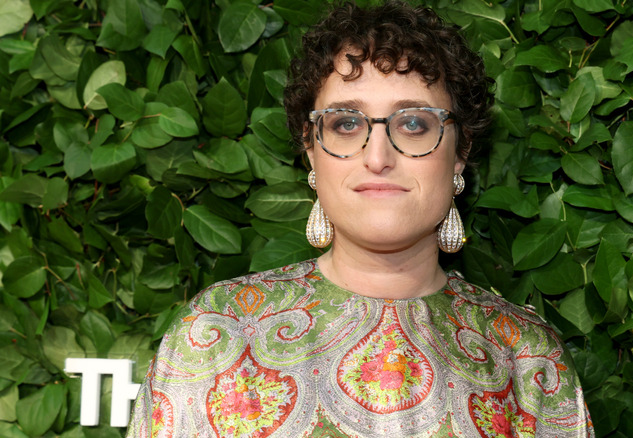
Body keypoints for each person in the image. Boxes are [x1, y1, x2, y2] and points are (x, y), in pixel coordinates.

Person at [127, 1, 594, 437]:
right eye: (346, 123)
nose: (377, 157)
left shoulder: (526, 358)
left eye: (413, 123)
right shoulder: (214, 337)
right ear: (311, 150)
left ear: (460, 152)